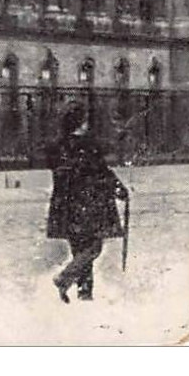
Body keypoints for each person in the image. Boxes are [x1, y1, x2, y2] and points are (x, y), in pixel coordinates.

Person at [46, 108, 127, 302]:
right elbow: (101, 171)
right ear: (81, 123)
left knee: (79, 250)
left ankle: (84, 296)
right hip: (87, 203)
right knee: (93, 248)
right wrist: (119, 188)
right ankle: (65, 279)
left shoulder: (58, 146)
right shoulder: (88, 145)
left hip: (65, 206)